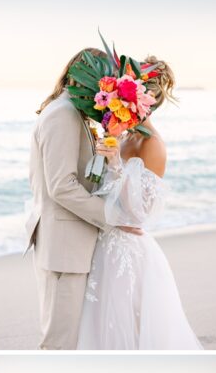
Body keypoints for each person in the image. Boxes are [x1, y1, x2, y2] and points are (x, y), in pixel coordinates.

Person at [77, 58, 202, 350]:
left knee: (125, 327)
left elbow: (140, 212)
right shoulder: (124, 134)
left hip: (127, 252)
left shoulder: (152, 144)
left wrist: (115, 162)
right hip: (104, 242)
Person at [26, 49, 142, 350]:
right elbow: (61, 186)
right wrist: (113, 217)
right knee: (59, 343)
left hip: (67, 245)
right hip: (63, 247)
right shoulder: (62, 114)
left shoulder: (68, 112)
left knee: (67, 340)